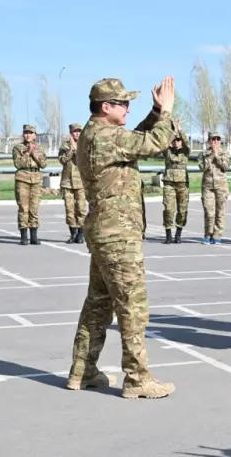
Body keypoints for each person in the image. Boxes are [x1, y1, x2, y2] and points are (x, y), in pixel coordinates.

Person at [67, 76, 178, 399]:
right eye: (123, 103)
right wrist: (167, 113)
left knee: (98, 305)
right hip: (118, 234)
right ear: (106, 107)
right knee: (132, 306)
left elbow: (133, 139)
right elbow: (151, 144)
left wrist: (156, 111)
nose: (128, 108)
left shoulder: (96, 133)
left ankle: (82, 370)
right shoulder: (105, 136)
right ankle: (137, 378)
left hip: (107, 231)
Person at [12, 124, 47, 245]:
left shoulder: (40, 148)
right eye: (26, 133)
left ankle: (34, 236)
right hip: (23, 178)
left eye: (31, 133)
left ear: (35, 135)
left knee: (34, 208)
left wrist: (34, 153)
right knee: (23, 207)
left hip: (36, 179)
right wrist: (27, 153)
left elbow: (43, 164)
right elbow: (18, 164)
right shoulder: (18, 147)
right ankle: (23, 236)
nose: (28, 135)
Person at [161, 122, 190, 244]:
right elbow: (163, 142)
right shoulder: (167, 151)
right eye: (174, 140)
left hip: (182, 184)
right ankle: (168, 233)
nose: (176, 142)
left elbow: (186, 142)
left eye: (178, 140)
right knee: (169, 209)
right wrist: (172, 132)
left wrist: (180, 130)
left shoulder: (186, 151)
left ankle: (178, 233)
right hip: (169, 184)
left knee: (182, 210)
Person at [58, 123, 88, 244]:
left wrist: (78, 150)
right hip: (67, 182)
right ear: (71, 133)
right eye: (75, 131)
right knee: (69, 210)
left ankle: (81, 234)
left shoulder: (85, 144)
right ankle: (73, 234)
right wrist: (71, 150)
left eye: (79, 131)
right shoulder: (65, 146)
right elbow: (62, 160)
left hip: (80, 181)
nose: (77, 133)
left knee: (81, 209)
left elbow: (87, 159)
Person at [198, 132, 230, 244]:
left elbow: (226, 167)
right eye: (213, 139)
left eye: (217, 139)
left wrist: (217, 156)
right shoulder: (204, 154)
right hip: (208, 186)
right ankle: (208, 235)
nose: (215, 141)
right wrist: (211, 156)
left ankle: (217, 236)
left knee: (220, 212)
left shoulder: (224, 153)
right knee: (209, 212)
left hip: (221, 186)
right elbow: (202, 167)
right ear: (209, 141)